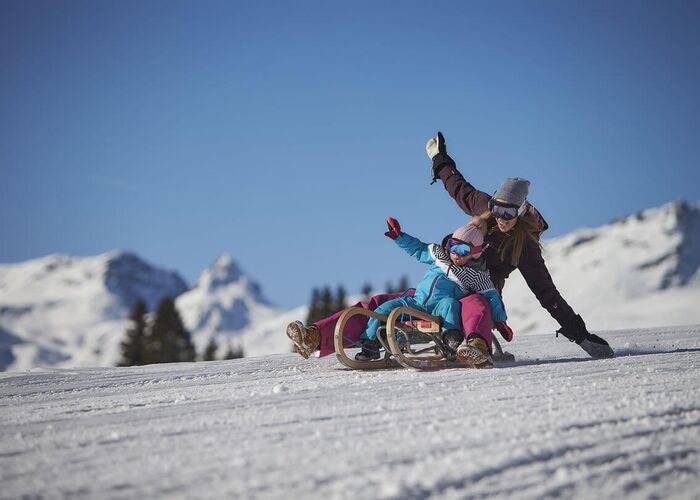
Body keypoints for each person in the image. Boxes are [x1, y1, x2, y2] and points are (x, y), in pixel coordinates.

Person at [426, 131, 614, 358]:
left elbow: (546, 292)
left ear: (521, 211)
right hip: (459, 266)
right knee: (438, 291)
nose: (501, 218)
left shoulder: (525, 246)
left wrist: (580, 334)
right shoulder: (482, 206)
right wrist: (440, 159)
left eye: (509, 212)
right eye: (497, 209)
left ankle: (474, 341)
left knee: (476, 302)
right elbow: (458, 187)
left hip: (488, 282)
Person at [286, 220, 512, 367]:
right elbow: (419, 249)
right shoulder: (439, 255)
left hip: (441, 307)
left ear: (474, 253)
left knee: (452, 304)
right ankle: (323, 337)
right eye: (452, 246)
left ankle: (460, 341)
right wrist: (399, 236)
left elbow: (491, 298)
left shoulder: (476, 276)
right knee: (379, 306)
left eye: (462, 251)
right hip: (416, 300)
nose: (455, 254)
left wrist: (500, 322)